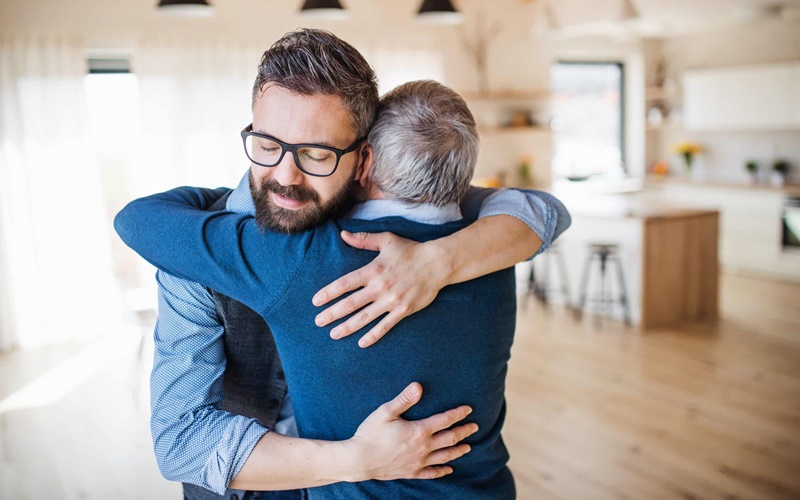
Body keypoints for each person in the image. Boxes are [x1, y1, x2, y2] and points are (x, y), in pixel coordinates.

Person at [137, 29, 570, 499]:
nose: (286, 176)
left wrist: (439, 261)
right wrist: (358, 459)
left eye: (317, 154)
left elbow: (538, 208)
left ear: (363, 158)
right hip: (253, 489)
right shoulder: (197, 249)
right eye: (266, 145)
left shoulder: (406, 224)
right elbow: (181, 443)